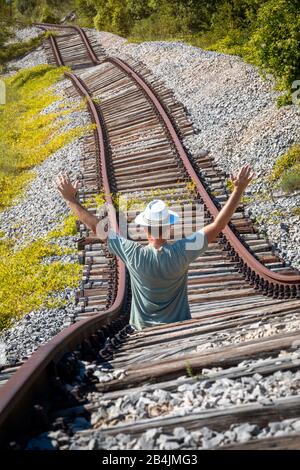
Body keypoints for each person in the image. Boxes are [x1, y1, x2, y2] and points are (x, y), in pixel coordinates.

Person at [55, 165, 254, 330]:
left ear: (144, 229)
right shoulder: (183, 252)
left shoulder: (133, 253)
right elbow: (218, 226)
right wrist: (238, 190)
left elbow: (96, 226)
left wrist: (70, 199)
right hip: (179, 327)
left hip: (142, 330)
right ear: (168, 227)